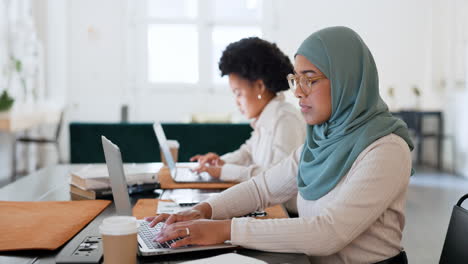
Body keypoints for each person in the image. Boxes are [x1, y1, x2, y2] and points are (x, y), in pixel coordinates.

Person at [146, 27, 414, 263]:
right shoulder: (322, 140)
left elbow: (329, 233)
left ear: (348, 79)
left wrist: (225, 229)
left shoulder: (386, 149)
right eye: (296, 79)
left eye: (310, 78)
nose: (298, 91)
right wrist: (202, 210)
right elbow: (261, 188)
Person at [190, 37, 305, 184]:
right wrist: (220, 162)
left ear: (259, 87)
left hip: (282, 207)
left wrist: (224, 171)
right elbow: (248, 153)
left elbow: (279, 178)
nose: (236, 102)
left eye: (238, 93)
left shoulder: (286, 119)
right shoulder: (265, 118)